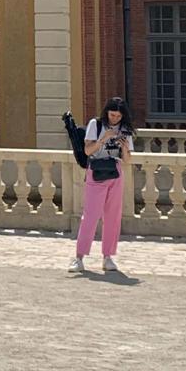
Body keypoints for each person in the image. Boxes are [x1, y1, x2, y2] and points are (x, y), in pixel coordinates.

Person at [69, 97, 132, 274]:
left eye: (118, 116)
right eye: (112, 115)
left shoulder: (124, 129)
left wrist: (125, 148)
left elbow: (127, 160)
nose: (115, 119)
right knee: (90, 215)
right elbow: (88, 151)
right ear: (106, 112)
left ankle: (108, 256)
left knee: (113, 216)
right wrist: (103, 139)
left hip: (115, 172)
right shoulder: (95, 125)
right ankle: (79, 257)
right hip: (96, 172)